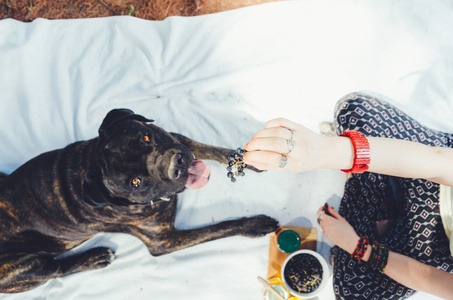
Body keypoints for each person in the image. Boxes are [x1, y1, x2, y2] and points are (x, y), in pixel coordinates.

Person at [243, 92, 453, 299]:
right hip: (436, 172)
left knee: (353, 295)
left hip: (432, 247)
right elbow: (437, 163)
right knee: (353, 110)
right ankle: (377, 202)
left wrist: (357, 245)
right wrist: (327, 152)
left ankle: (378, 195)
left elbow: (426, 277)